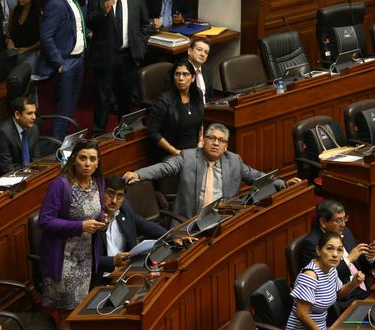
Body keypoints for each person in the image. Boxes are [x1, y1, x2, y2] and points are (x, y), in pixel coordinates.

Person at [123, 123, 301, 223]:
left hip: (222, 219)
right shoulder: (188, 157)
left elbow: (257, 178)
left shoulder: (234, 161)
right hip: (188, 221)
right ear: (203, 140)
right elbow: (163, 168)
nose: (216, 143)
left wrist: (282, 184)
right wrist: (138, 174)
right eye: (212, 138)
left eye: (221, 140)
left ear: (226, 146)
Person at [38, 139, 106, 325]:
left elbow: (98, 209)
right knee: (66, 314)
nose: (87, 163)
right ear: (74, 159)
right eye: (83, 158)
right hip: (63, 260)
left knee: (79, 310)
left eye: (92, 159)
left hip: (86, 257)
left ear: (98, 162)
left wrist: (104, 217)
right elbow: (45, 220)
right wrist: (80, 226)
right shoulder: (60, 186)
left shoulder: (98, 182)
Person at [97, 175, 195, 280]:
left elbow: (145, 225)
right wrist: (112, 261)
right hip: (104, 275)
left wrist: (172, 237)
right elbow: (86, 261)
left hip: (126, 269)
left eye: (120, 196)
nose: (114, 201)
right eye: (110, 194)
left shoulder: (124, 208)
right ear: (101, 193)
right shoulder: (93, 219)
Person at [86, 0, 149, 135]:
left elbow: (144, 24)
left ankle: (124, 134)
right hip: (105, 56)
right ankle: (99, 135)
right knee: (102, 99)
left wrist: (140, 48)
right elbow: (89, 22)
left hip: (128, 55)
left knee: (126, 99)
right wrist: (104, 10)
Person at [299, 200, 373, 310]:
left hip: (362, 288)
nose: (343, 224)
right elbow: (323, 278)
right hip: (344, 299)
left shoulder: (345, 232)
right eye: (338, 220)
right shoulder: (312, 244)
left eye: (344, 218)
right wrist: (349, 259)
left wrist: (370, 257)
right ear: (324, 222)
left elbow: (360, 262)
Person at [286, 232, 364, 330]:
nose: (335, 254)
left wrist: (353, 283)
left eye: (339, 250)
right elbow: (302, 314)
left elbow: (338, 294)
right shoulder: (310, 276)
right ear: (318, 250)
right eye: (329, 248)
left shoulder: (331, 268)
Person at [39, 0, 87, 139]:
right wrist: (59, 63)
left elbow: (77, 28)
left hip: (79, 59)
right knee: (64, 108)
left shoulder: (76, 3)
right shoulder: (55, 4)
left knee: (71, 106)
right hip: (66, 62)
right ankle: (58, 147)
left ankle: (66, 140)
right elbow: (46, 36)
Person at [147, 59, 204, 161]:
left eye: (185, 74)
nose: (181, 78)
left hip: (196, 151)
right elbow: (153, 132)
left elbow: (201, 122)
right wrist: (175, 152)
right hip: (174, 154)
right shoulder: (164, 101)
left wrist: (200, 141)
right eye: (177, 74)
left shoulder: (197, 94)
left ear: (193, 78)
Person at [0, 95, 41, 175]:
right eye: (29, 113)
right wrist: (26, 175)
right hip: (9, 178)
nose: (34, 117)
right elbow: (7, 168)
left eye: (35, 113)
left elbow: (36, 158)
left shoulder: (34, 128)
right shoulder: (2, 134)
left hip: (29, 174)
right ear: (17, 115)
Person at [7, 0, 41, 72]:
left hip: (33, 53)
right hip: (15, 54)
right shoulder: (15, 10)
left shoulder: (38, 12)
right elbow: (9, 31)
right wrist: (9, 40)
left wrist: (28, 49)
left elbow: (43, 39)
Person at [186, 37, 213, 103]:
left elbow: (209, 97)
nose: (203, 54)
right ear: (189, 51)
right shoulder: (181, 71)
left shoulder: (207, 71)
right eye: (199, 50)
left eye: (206, 52)